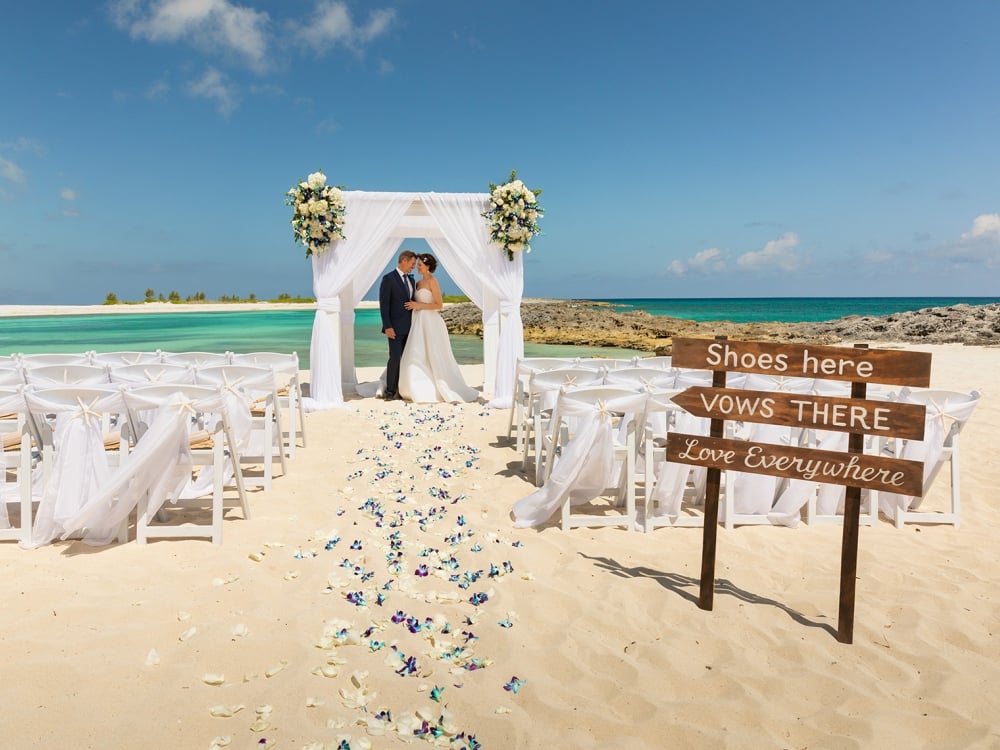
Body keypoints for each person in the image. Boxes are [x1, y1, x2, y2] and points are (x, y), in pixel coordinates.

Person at [398, 253, 479, 403]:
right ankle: (414, 385)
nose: (417, 267)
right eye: (417, 265)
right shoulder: (418, 283)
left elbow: (439, 305)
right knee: (417, 353)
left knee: (434, 354)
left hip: (430, 322)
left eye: (420, 265)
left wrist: (418, 305)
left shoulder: (433, 282)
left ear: (427, 266)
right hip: (418, 322)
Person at [379, 249, 418, 400]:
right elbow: (384, 305)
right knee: (395, 357)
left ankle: (402, 389)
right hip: (394, 328)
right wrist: (387, 326)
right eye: (412, 264)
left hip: (411, 327)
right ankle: (390, 391)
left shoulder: (412, 280)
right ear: (404, 261)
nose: (413, 267)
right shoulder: (388, 279)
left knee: (407, 358)